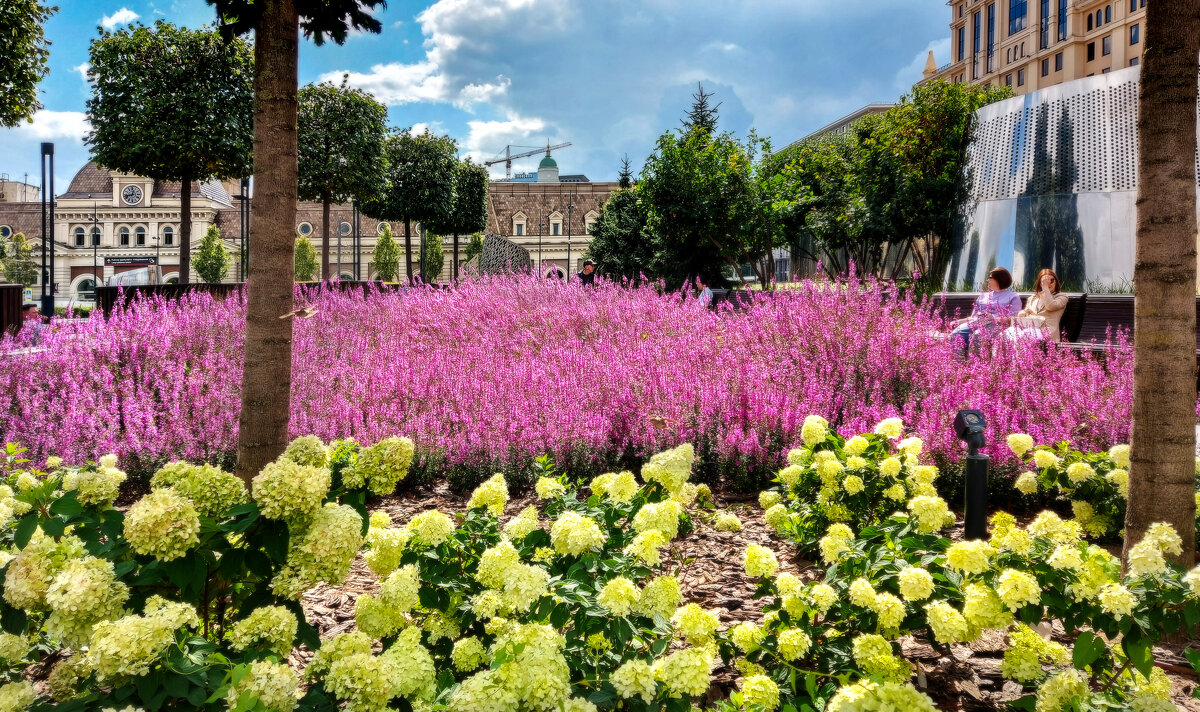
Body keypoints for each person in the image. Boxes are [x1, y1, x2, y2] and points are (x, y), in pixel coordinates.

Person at [949, 267, 1022, 357]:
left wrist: (994, 318)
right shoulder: (983, 296)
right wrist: (959, 321)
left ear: (999, 279)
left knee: (978, 335)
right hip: (976, 322)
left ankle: (978, 367)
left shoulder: (1013, 297)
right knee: (956, 333)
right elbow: (973, 316)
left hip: (998, 325)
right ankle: (959, 366)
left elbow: (1013, 318)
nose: (988, 280)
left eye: (990, 278)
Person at [1006, 268, 1069, 343]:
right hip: (1028, 327)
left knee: (1024, 336)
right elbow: (1027, 311)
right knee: (1004, 335)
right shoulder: (1033, 298)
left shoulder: (1062, 297)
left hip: (1046, 332)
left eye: (1051, 280)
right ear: (1040, 283)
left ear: (1056, 282)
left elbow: (1050, 306)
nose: (1048, 283)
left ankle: (1017, 355)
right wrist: (1022, 313)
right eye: (1044, 281)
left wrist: (1045, 288)